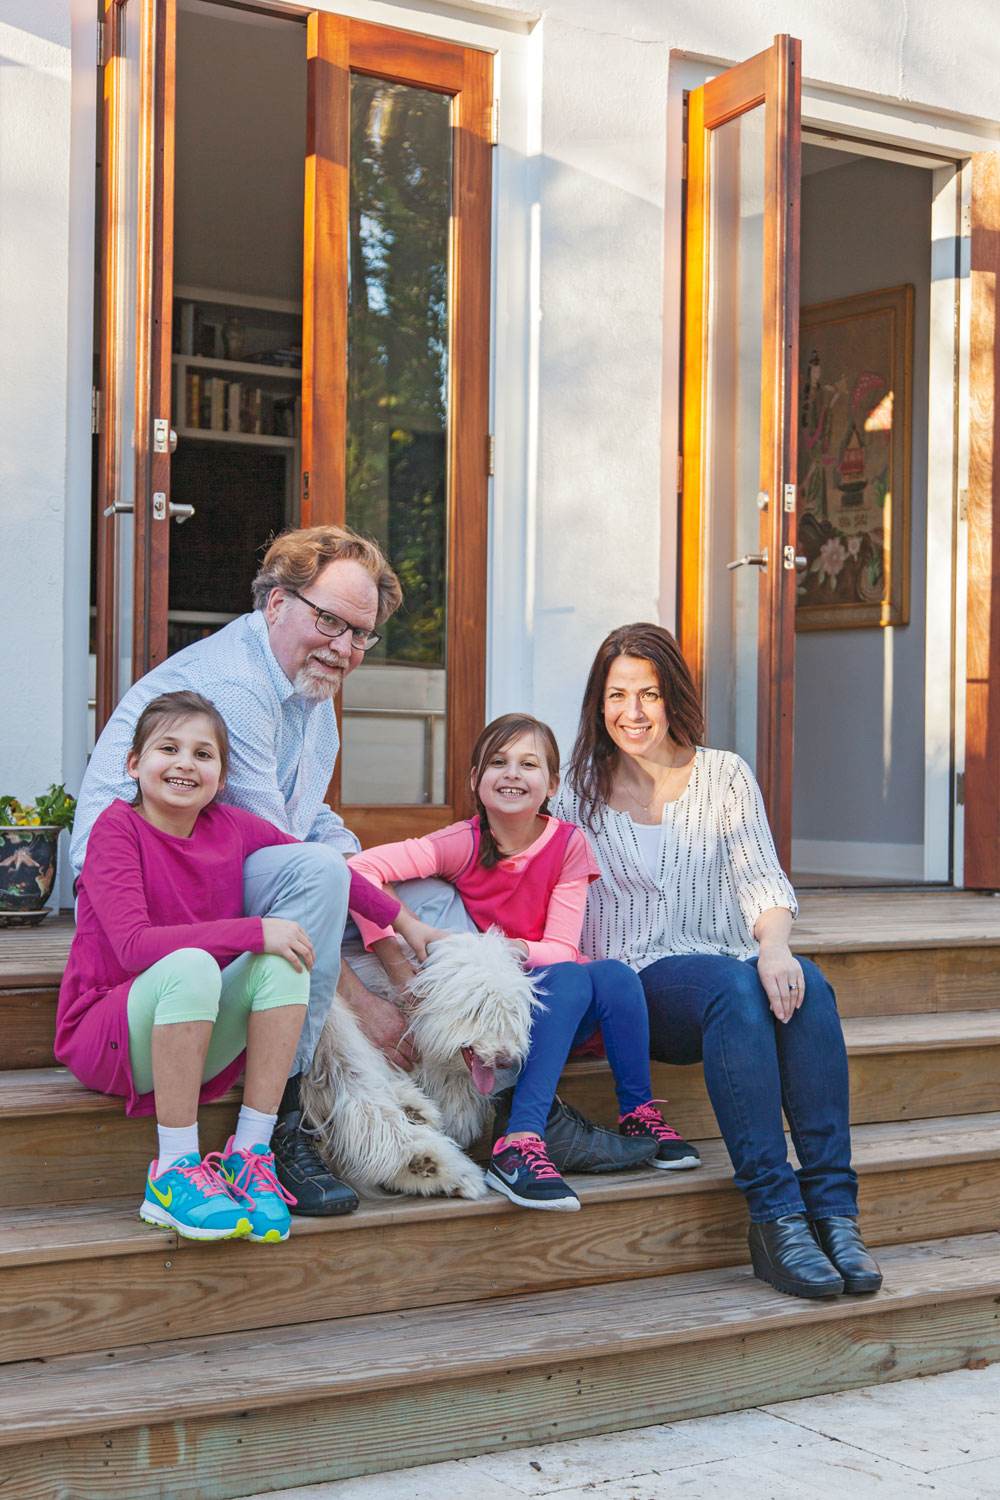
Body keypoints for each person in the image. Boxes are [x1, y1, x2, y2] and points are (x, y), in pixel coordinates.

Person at [70, 524, 431, 1214]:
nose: (344, 647)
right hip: (150, 878)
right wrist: (364, 1005)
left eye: (361, 635)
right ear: (275, 603)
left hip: (211, 869)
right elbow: (299, 866)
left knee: (404, 889)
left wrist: (397, 935)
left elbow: (309, 825)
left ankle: (253, 1148)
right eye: (329, 620)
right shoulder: (235, 690)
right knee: (318, 880)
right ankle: (288, 1121)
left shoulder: (312, 696)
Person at [554, 624, 882, 1296]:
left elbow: (761, 881)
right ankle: (776, 1215)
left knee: (809, 986)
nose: (633, 712)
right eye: (617, 695)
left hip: (726, 966)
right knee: (733, 988)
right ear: (599, 703)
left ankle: (834, 1211)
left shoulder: (723, 774)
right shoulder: (574, 793)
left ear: (673, 696)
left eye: (648, 694)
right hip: (637, 987)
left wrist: (776, 946)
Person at [348, 713, 702, 1213]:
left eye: (528, 764)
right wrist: (399, 947)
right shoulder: (462, 842)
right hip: (504, 1014)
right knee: (574, 976)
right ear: (475, 780)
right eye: (498, 762)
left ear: (552, 783)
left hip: (555, 999)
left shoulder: (567, 844)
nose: (512, 773)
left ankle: (638, 1111)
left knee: (613, 976)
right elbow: (359, 870)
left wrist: (514, 949)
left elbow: (560, 944)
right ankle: (520, 1141)